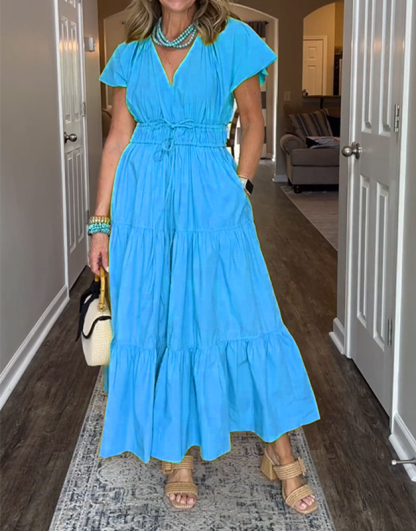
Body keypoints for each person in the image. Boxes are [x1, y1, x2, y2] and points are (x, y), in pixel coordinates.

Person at [88, 0, 320, 514]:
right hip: (144, 206)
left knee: (246, 315)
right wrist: (100, 221)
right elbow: (119, 137)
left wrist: (241, 187)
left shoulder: (231, 39)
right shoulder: (131, 52)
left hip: (212, 197)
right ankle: (178, 456)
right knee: (160, 322)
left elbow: (254, 122)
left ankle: (280, 453)